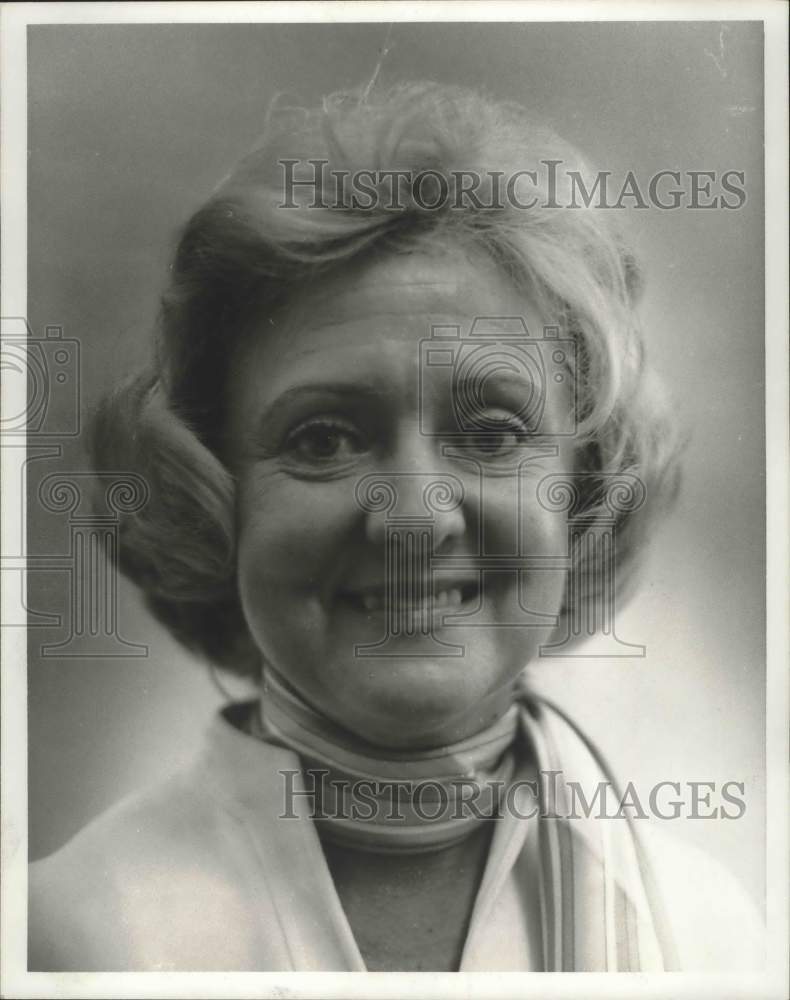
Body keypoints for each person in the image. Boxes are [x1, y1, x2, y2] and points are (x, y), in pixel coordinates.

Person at [29, 82, 763, 972]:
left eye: (492, 433)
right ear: (212, 493)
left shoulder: (707, 938)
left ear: (583, 490)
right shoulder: (66, 936)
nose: (414, 515)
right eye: (324, 438)